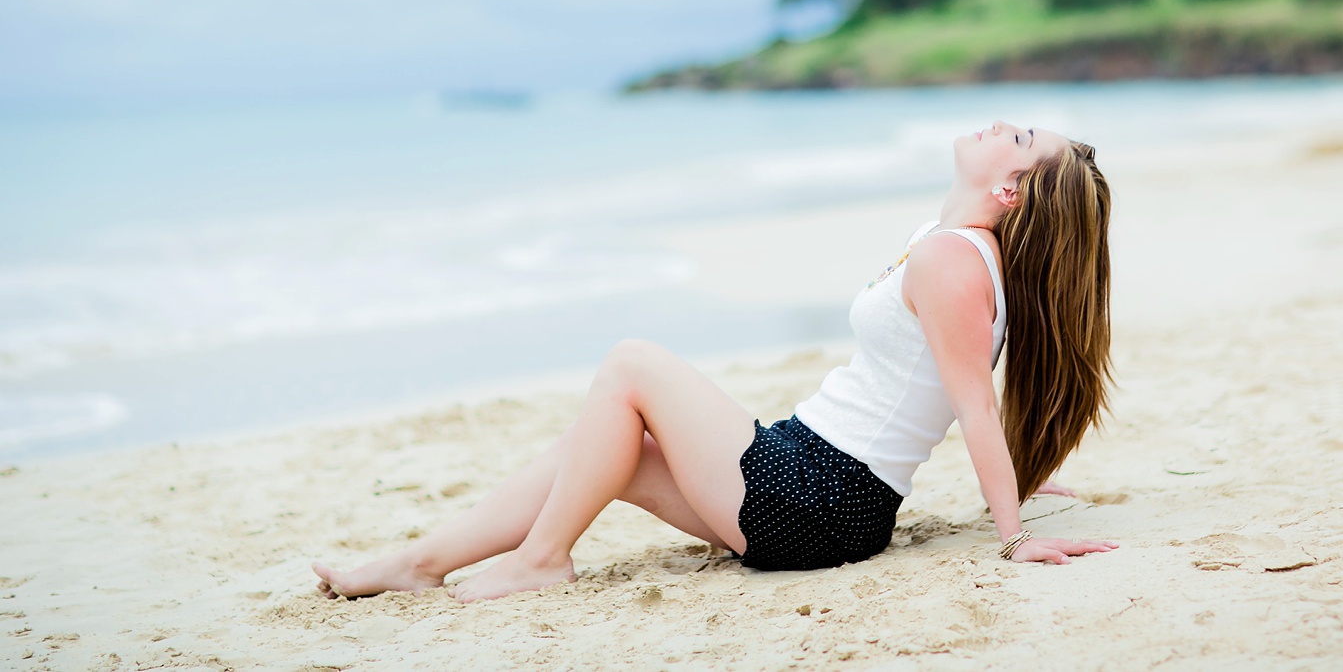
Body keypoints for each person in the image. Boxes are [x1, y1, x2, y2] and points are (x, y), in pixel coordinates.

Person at [313, 120, 1117, 602]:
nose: (999, 124)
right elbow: (959, 383)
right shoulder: (959, 250)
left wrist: (1014, 537)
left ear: (1010, 188)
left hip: (819, 497)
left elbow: (973, 402)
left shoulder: (952, 261)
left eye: (1017, 138)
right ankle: (417, 563)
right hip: (813, 482)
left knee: (629, 364)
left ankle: (541, 559)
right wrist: (1029, 472)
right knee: (604, 447)